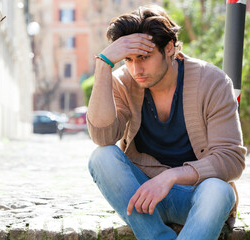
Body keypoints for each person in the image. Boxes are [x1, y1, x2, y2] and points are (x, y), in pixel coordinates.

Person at [87, 5, 246, 240]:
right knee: (101, 157)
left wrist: (170, 177)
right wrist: (104, 64)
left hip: (197, 198)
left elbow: (231, 159)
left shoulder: (212, 81)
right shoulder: (122, 83)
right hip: (146, 200)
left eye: (144, 57)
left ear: (169, 48)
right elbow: (102, 136)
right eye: (128, 59)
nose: (135, 69)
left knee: (219, 190)